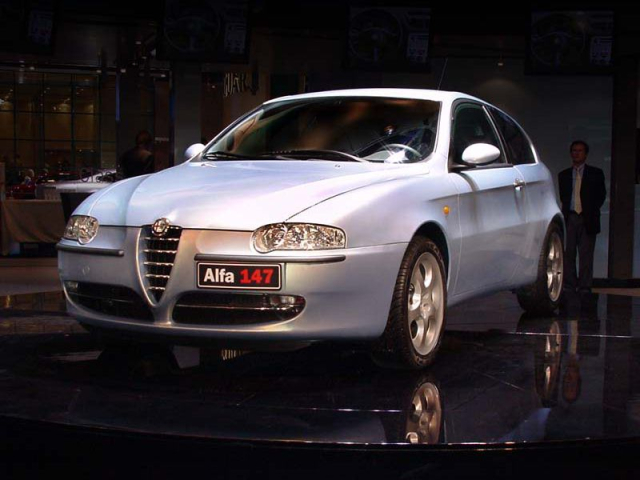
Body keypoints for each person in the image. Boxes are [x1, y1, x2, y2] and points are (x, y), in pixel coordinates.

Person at [558, 140, 606, 296]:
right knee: (568, 254)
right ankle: (569, 285)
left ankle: (585, 286)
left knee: (586, 255)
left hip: (587, 218)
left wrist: (590, 210)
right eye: (574, 150)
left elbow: (601, 196)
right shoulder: (564, 175)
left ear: (585, 154)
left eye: (579, 151)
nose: (576, 153)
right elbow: (564, 197)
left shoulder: (595, 173)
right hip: (570, 217)